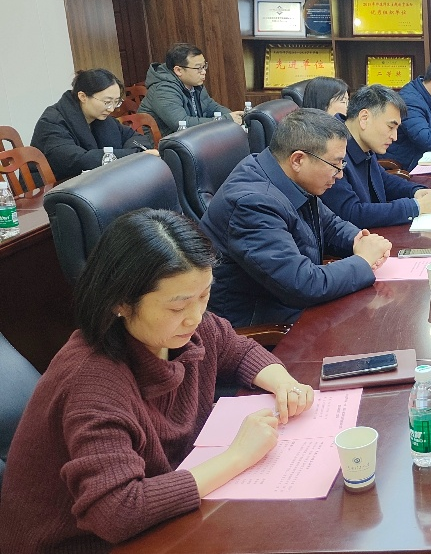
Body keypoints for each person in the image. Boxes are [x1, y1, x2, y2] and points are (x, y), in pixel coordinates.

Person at [0, 209, 314, 550]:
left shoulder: (183, 329)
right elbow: (117, 510)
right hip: (80, 542)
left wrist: (283, 383)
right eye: (177, 307)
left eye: (204, 295)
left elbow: (235, 350)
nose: (195, 317)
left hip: (162, 510)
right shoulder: (93, 383)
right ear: (121, 302)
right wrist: (238, 456)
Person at [200, 108, 392, 327]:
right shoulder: (253, 204)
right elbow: (303, 285)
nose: (340, 174)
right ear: (298, 160)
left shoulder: (284, 175)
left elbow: (329, 224)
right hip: (262, 323)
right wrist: (363, 261)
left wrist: (358, 240)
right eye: (335, 165)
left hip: (289, 304)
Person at [322, 84, 431, 228]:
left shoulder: (360, 141)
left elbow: (383, 179)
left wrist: (416, 191)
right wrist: (416, 206)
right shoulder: (331, 150)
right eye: (390, 127)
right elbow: (351, 213)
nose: (394, 137)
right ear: (364, 118)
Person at [31, 68, 157, 180]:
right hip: (52, 190)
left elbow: (135, 137)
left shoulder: (101, 117)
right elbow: (78, 160)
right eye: (107, 102)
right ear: (83, 96)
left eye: (116, 102)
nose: (112, 109)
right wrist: (134, 156)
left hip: (92, 182)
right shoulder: (52, 122)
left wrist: (133, 153)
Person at [139, 43, 242, 135]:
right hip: (160, 145)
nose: (203, 72)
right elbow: (182, 124)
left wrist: (232, 116)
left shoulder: (194, 83)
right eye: (198, 68)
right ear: (178, 70)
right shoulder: (163, 90)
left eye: (204, 66)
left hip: (188, 139)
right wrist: (226, 120)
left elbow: (211, 107)